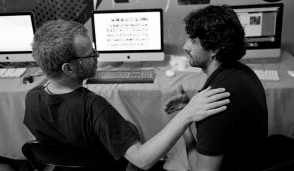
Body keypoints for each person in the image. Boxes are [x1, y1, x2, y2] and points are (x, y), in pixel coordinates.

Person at [23, 19, 230, 171]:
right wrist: (187, 114)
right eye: (90, 54)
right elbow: (142, 159)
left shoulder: (31, 98)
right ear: (69, 69)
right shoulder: (94, 107)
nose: (97, 56)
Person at [165, 5, 268, 171]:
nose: (185, 46)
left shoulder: (214, 104)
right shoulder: (244, 72)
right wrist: (190, 108)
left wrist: (185, 126)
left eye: (192, 40)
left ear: (215, 49)